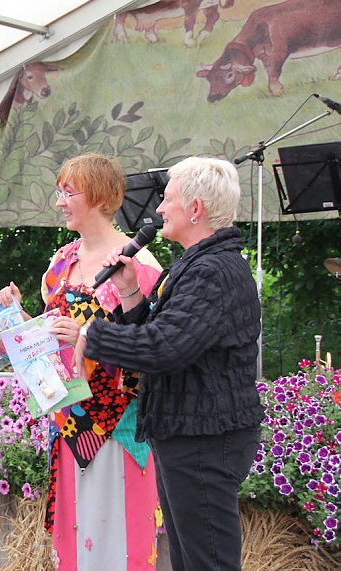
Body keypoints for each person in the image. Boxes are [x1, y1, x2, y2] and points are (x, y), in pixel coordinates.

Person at [75, 156, 263, 571]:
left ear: (195, 209)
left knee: (207, 561)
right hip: (190, 430)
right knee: (190, 559)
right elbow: (171, 340)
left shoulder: (212, 271)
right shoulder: (198, 265)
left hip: (205, 435)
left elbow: (164, 349)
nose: (158, 209)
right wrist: (129, 295)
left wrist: (91, 334)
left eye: (168, 198)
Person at [0, 153, 162, 570]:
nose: (60, 202)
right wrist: (18, 318)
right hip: (69, 421)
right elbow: (51, 337)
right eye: (59, 192)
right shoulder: (60, 263)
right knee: (76, 541)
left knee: (120, 543)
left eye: (69, 193)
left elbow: (153, 348)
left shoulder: (139, 266)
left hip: (118, 426)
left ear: (102, 197)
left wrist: (89, 337)